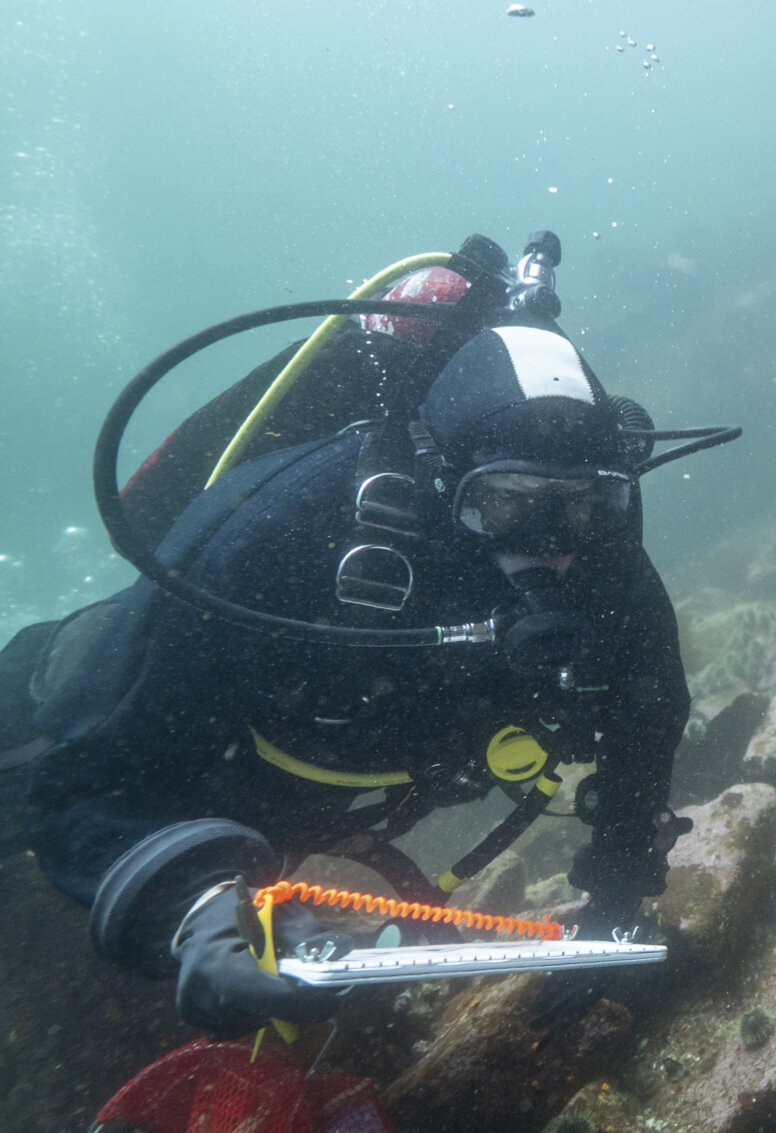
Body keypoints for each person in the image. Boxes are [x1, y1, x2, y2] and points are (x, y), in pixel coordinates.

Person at [0, 242, 730, 1039]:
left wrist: (618, 902)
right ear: (440, 481)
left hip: (301, 803)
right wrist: (196, 913)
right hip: (61, 723)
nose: (555, 548)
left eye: (584, 507)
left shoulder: (606, 563)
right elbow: (87, 784)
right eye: (508, 504)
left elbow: (645, 717)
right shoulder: (280, 529)